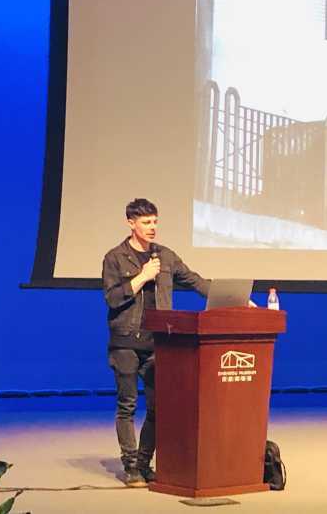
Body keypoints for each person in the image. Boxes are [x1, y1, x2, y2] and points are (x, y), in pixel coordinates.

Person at [102, 198, 210, 487]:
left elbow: (196, 281)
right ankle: (130, 467)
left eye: (155, 222)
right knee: (127, 405)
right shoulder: (115, 257)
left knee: (158, 407)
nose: (152, 227)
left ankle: (143, 463)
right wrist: (142, 276)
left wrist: (235, 299)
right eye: (146, 222)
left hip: (159, 343)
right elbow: (112, 298)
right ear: (131, 223)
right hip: (125, 342)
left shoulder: (165, 256)